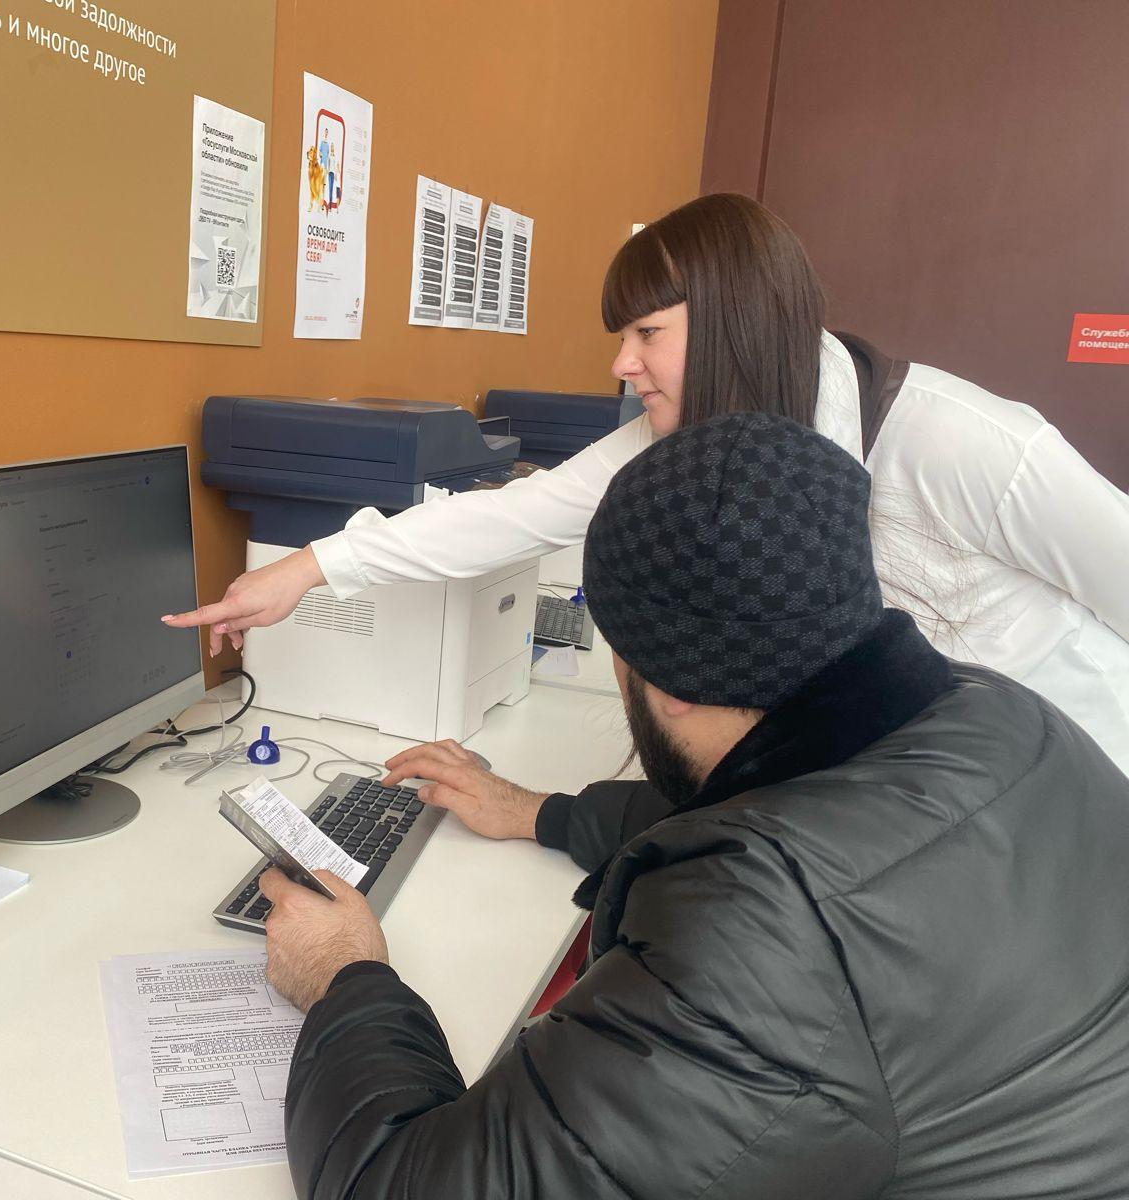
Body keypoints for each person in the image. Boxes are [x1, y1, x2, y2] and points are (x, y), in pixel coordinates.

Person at [259, 412, 1129, 1198]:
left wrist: (343, 976)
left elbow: (397, 1185)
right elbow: (813, 832)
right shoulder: (1007, 717)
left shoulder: (763, 947)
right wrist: (542, 812)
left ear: (664, 682)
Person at [163, 193, 1129, 773]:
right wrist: (305, 570)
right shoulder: (688, 441)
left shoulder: (960, 442)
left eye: (647, 333)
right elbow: (513, 517)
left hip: (1078, 777)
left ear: (736, 322)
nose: (622, 365)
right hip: (917, 786)